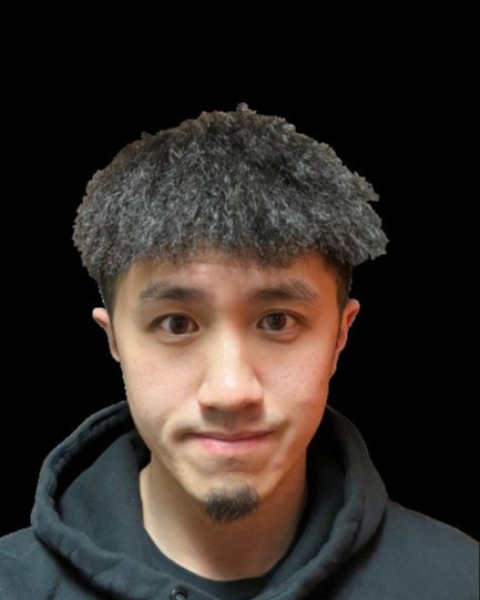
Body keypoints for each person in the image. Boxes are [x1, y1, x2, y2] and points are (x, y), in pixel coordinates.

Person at [0, 103, 477, 600]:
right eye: (177, 324)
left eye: (277, 321)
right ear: (113, 339)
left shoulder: (460, 582)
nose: (230, 392)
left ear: (341, 335)